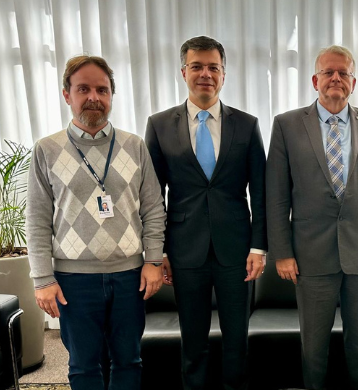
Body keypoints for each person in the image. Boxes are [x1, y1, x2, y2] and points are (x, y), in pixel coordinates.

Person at [26, 55, 166, 390]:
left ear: (111, 96)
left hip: (129, 276)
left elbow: (153, 209)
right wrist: (42, 279)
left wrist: (153, 261)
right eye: (83, 88)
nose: (94, 97)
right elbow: (36, 219)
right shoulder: (47, 150)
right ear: (67, 95)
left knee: (129, 361)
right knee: (84, 366)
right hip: (73, 281)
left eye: (102, 89)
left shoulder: (134, 146)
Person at [266, 45, 358, 390]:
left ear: (353, 82)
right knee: (314, 347)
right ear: (315, 79)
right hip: (310, 256)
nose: (336, 78)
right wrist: (282, 252)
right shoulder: (286, 125)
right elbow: (277, 195)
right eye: (329, 72)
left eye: (344, 73)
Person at [145, 35, 266, 390]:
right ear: (183, 72)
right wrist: (160, 251)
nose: (205, 74)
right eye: (197, 66)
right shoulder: (159, 124)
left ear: (224, 75)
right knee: (193, 341)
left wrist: (259, 247)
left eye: (213, 67)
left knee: (236, 340)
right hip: (184, 250)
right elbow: (153, 197)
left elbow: (259, 190)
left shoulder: (247, 124)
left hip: (236, 250)